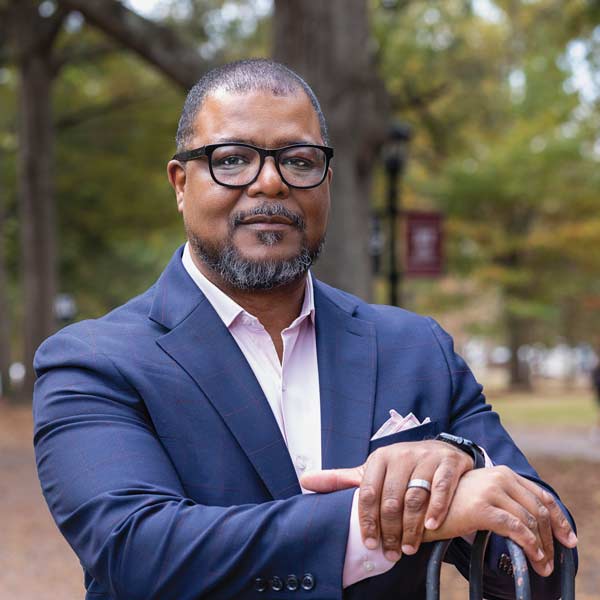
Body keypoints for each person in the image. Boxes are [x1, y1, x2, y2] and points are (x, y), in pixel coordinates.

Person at [33, 59, 577, 600]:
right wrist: (395, 516)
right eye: (233, 159)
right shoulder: (92, 361)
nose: (270, 182)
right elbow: (138, 552)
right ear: (181, 183)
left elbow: (548, 560)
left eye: (298, 160)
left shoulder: (416, 349)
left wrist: (468, 471)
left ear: (326, 183)